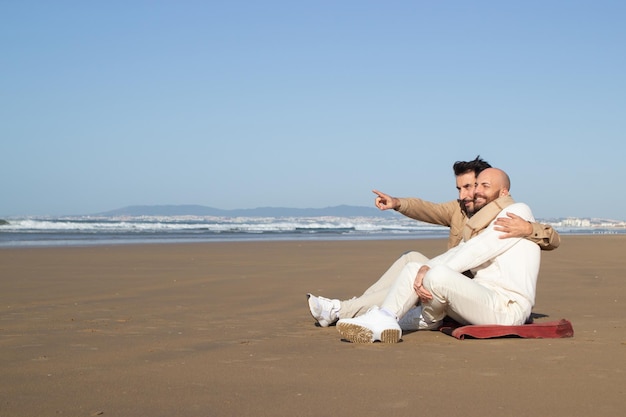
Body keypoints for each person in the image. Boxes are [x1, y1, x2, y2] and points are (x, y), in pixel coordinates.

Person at [307, 156, 559, 327]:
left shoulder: (513, 215)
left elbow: (547, 238)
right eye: (461, 188)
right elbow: (427, 208)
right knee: (411, 259)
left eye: (474, 186)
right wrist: (397, 203)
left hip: (469, 288)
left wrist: (530, 228)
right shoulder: (461, 210)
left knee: (425, 270)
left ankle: (343, 311)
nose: (466, 194)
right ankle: (360, 310)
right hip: (454, 281)